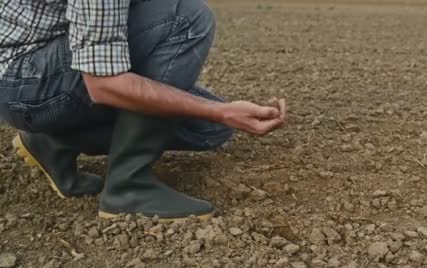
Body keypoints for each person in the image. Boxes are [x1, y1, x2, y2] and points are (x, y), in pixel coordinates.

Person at [0, 0, 287, 222]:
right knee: (186, 17)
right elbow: (104, 84)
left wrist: (219, 114)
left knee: (207, 128)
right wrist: (220, 111)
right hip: (24, 80)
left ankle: (53, 141)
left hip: (44, 67)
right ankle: (129, 186)